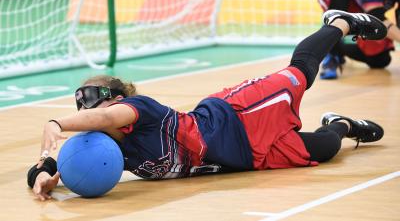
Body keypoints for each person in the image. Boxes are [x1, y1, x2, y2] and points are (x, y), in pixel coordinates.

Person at [28, 10, 386, 201]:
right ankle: (343, 124)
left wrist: (57, 122)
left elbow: (105, 116)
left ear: (118, 98)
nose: (87, 119)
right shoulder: (110, 149)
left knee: (300, 74)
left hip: (234, 117)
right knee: (324, 147)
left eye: (87, 109)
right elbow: (65, 164)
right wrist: (44, 176)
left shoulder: (139, 110)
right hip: (241, 159)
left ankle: (339, 22)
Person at [318, 0, 400, 79]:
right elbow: (376, 14)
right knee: (339, 5)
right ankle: (332, 52)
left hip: (363, 9)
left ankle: (340, 47)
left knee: (381, 59)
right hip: (346, 4)